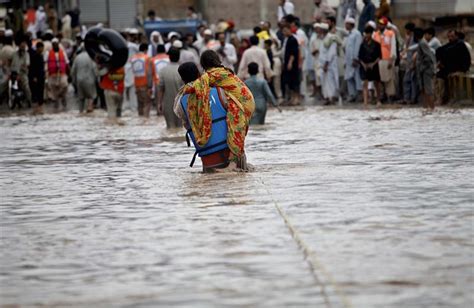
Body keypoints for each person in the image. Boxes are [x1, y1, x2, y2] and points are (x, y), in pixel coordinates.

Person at [175, 50, 255, 171]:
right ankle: (234, 164)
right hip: (246, 103)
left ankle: (232, 166)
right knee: (236, 127)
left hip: (208, 152)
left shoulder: (181, 101)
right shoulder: (221, 84)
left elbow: (184, 120)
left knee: (235, 123)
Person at [156, 47, 183, 128]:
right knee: (181, 128)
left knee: (170, 128)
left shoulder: (163, 71)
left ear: (169, 57)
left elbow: (161, 89)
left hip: (168, 104)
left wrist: (159, 103)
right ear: (178, 56)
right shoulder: (182, 70)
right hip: (181, 104)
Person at [373, 16, 396, 103]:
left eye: (382, 24)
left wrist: (391, 59)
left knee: (388, 79)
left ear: (385, 25)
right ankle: (381, 96)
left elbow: (393, 47)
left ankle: (390, 96)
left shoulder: (390, 33)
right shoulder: (375, 34)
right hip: (378, 59)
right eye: (379, 24)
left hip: (387, 59)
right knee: (379, 80)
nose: (380, 25)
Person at [358, 26, 382, 106]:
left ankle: (378, 100)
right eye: (366, 33)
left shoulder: (377, 44)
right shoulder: (362, 45)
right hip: (364, 66)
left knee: (376, 83)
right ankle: (366, 101)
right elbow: (360, 57)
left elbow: (379, 57)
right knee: (365, 83)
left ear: (371, 34)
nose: (366, 35)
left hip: (374, 65)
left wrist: (373, 64)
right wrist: (364, 65)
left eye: (368, 33)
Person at [414, 28, 435, 110]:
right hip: (423, 69)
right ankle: (426, 108)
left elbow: (428, 57)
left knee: (428, 90)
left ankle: (431, 108)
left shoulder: (422, 43)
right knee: (423, 90)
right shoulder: (421, 42)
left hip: (426, 70)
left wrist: (422, 67)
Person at [70, 49, 97, 113]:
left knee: (81, 98)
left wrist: (74, 81)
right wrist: (97, 79)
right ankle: (89, 108)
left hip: (79, 81)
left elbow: (73, 71)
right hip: (90, 80)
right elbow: (95, 69)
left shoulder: (77, 57)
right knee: (91, 96)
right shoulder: (91, 57)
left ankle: (81, 112)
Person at [319, 23, 339, 105]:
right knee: (324, 81)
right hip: (323, 64)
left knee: (331, 81)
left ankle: (332, 97)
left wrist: (326, 63)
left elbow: (331, 52)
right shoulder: (323, 38)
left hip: (329, 64)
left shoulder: (331, 38)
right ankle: (327, 97)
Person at [46, 38, 69, 110]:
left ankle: (63, 97)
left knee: (65, 86)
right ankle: (56, 103)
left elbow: (67, 63)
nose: (55, 45)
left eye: (56, 43)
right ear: (52, 45)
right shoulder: (48, 53)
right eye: (54, 44)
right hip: (52, 74)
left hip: (62, 73)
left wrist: (69, 73)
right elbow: (45, 63)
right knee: (54, 89)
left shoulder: (63, 52)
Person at [131, 43, 153, 117]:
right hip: (145, 85)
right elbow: (149, 73)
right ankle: (145, 123)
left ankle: (140, 123)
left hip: (137, 85)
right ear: (146, 49)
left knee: (140, 105)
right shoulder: (147, 58)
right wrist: (150, 86)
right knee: (147, 104)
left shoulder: (133, 58)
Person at [343, 17, 362, 102]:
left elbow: (357, 46)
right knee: (349, 78)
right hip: (348, 61)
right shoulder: (348, 34)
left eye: (347, 24)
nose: (345, 25)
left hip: (354, 60)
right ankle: (352, 94)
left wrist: (355, 58)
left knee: (356, 77)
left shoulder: (357, 34)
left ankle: (359, 94)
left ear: (351, 25)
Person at [281, 23, 300, 105]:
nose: (284, 33)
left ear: (289, 30)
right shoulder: (287, 39)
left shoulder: (293, 40)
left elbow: (293, 52)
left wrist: (290, 62)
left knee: (294, 81)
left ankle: (296, 98)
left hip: (292, 64)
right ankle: (292, 98)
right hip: (286, 63)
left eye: (285, 31)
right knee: (289, 82)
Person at [11, 37, 32, 107]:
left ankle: (29, 101)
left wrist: (21, 71)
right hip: (14, 74)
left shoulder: (27, 54)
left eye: (24, 44)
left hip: (23, 74)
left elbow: (27, 64)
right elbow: (12, 64)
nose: (23, 46)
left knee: (26, 87)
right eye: (22, 44)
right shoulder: (14, 54)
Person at [401, 22, 418, 104]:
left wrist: (408, 49)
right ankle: (407, 98)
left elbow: (416, 47)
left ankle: (412, 98)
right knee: (407, 80)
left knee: (412, 80)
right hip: (408, 61)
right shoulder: (409, 37)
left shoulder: (415, 37)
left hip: (413, 62)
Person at [29, 41, 45, 114]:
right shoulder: (34, 56)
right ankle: (36, 108)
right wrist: (34, 77)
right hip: (36, 77)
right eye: (40, 48)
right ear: (38, 48)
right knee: (36, 92)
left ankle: (40, 108)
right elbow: (32, 68)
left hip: (41, 76)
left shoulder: (41, 56)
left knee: (41, 91)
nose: (41, 49)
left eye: (42, 48)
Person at [310, 23, 324, 98]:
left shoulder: (325, 38)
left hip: (325, 61)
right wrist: (316, 51)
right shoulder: (313, 39)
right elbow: (312, 52)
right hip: (317, 60)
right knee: (318, 77)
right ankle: (320, 93)